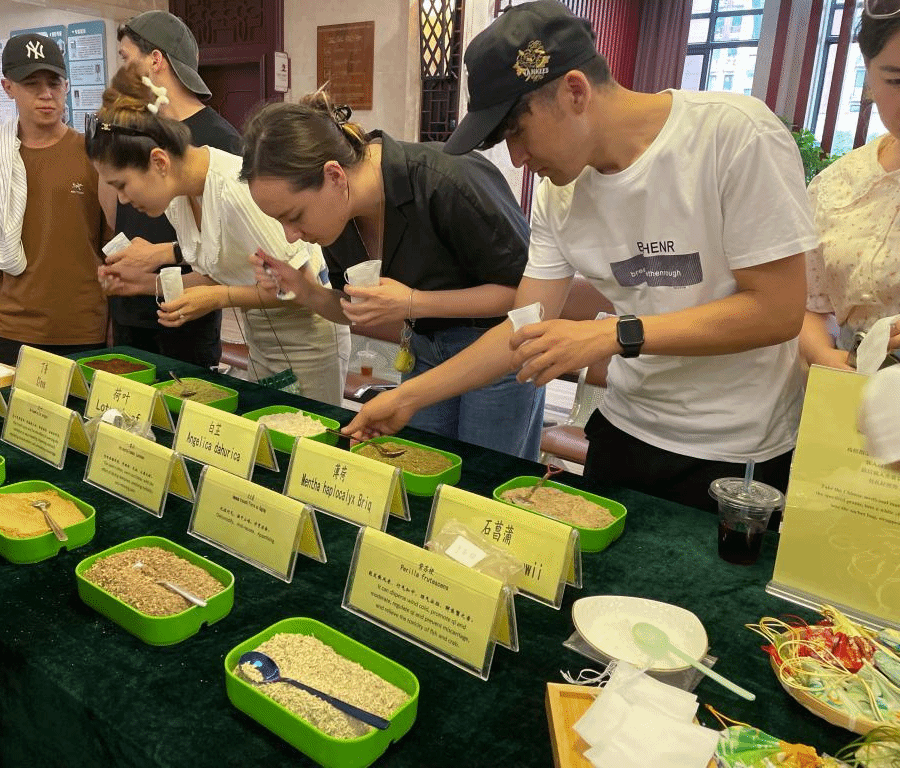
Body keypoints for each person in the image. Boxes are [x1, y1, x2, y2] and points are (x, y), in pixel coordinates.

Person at [339, 0, 818, 512]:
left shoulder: (735, 135)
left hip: (737, 453)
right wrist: (406, 397)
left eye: (517, 131)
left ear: (574, 91)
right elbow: (524, 326)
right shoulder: (558, 194)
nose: (517, 158)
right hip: (625, 431)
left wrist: (612, 334)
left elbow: (777, 310)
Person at [241, 94, 545, 460]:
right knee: (419, 467)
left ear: (334, 176)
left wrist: (414, 303)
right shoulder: (339, 217)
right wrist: (304, 290)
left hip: (501, 351)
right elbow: (353, 308)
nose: (291, 236)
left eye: (294, 216)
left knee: (483, 478)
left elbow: (528, 299)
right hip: (423, 349)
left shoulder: (447, 179)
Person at [88, 68, 348, 404]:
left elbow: (299, 286)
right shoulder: (177, 197)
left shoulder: (235, 191)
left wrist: (218, 298)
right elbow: (218, 272)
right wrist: (142, 284)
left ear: (159, 162)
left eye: (122, 185)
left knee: (306, 432)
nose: (122, 200)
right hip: (263, 335)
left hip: (309, 337)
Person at [98, 11, 242, 368]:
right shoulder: (134, 130)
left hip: (188, 312)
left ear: (155, 60)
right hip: (131, 305)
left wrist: (159, 255)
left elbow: (229, 251)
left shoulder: (221, 141)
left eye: (126, 59)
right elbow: (114, 209)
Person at [0, 33, 108, 367]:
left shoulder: (95, 155)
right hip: (13, 327)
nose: (46, 94)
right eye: (32, 84)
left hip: (83, 328)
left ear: (66, 86)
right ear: (8, 87)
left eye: (54, 83)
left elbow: (112, 247)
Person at [801, 4, 900, 371]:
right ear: (869, 76)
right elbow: (811, 305)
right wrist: (823, 354)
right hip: (852, 384)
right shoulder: (836, 185)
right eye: (897, 81)